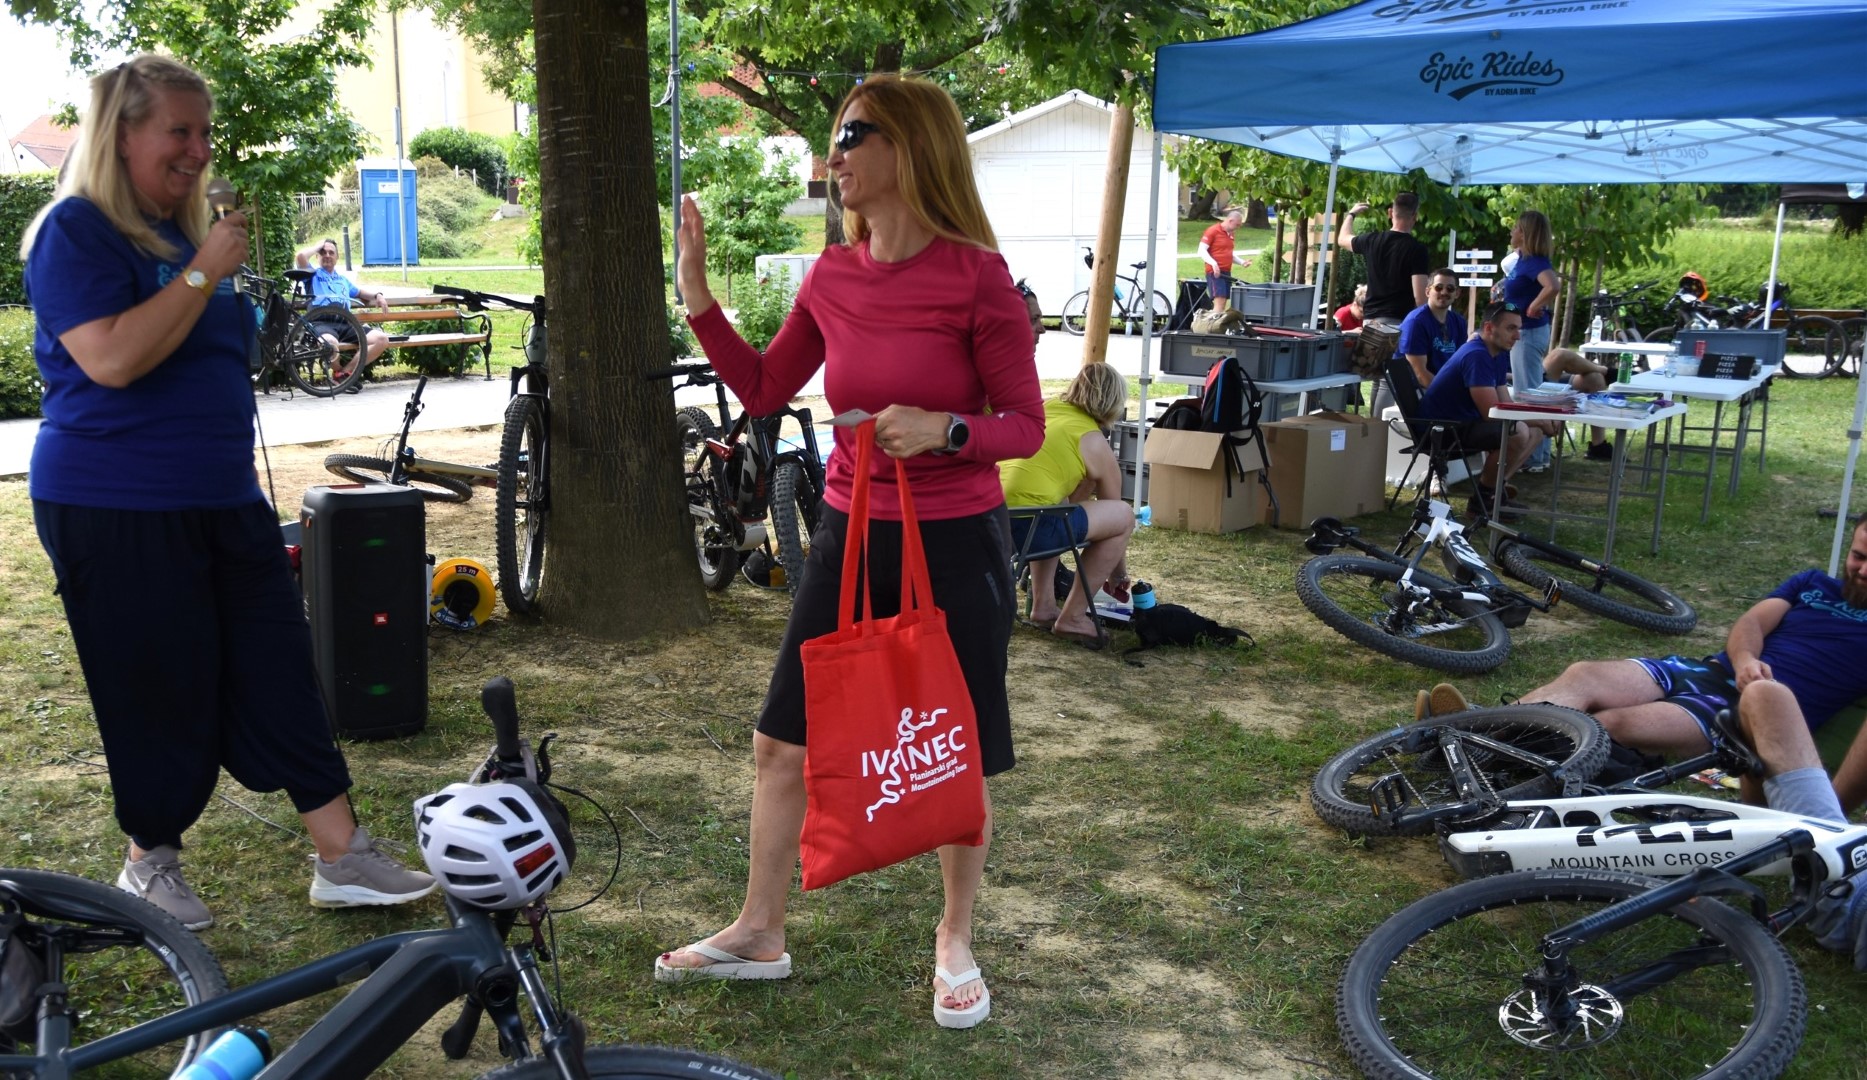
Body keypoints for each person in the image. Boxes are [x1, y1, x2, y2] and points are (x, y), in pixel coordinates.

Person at [654, 74, 1044, 1031]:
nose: (832, 156)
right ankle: (759, 930)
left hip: (955, 541)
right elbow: (761, 390)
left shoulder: (977, 277)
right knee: (780, 739)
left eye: (851, 134)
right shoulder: (832, 276)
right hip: (849, 529)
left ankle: (953, 938)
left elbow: (1025, 426)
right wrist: (698, 298)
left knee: (951, 748)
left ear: (909, 146)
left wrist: (948, 430)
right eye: (834, 137)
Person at [16, 54, 435, 932]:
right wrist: (205, 270)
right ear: (121, 134)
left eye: (204, 132)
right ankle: (149, 863)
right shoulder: (75, 231)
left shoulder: (178, 238)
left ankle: (342, 856)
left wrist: (203, 266)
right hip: (114, 504)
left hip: (221, 496)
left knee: (279, 665)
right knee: (156, 681)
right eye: (179, 131)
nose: (198, 149)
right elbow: (111, 359)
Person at [1509, 513, 1867, 817]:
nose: (1863, 570)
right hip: (1708, 671)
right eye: (1858, 556)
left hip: (1743, 710)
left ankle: (1512, 780)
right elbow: (1752, 624)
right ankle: (1485, 735)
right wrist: (1745, 659)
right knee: (1583, 675)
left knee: (1609, 725)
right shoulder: (1813, 583)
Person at [998, 362, 1136, 647]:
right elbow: (1114, 514)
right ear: (1113, 404)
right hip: (1027, 528)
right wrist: (1118, 573)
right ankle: (1073, 617)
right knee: (1123, 515)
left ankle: (1044, 606)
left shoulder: (1044, 410)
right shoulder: (1093, 441)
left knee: (1056, 504)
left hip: (991, 518)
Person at [1413, 301, 1561, 520]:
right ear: (1489, 328)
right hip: (1443, 431)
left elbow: (1505, 403)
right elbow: (1492, 412)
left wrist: (1544, 416)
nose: (1517, 336)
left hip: (1462, 424)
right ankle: (1479, 505)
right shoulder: (1477, 355)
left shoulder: (1496, 353)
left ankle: (1494, 494)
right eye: (1511, 328)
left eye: (1519, 329)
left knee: (1533, 430)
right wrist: (1539, 419)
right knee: (1519, 431)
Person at [1495, 210, 1562, 471]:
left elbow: (1553, 286)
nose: (1511, 232)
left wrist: (1534, 305)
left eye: (1515, 228)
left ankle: (1535, 457)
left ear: (1524, 233)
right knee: (1529, 390)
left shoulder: (1535, 261)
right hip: (1523, 332)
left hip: (1528, 332)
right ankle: (1537, 454)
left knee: (1529, 393)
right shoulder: (1522, 260)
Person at [303, 237, 390, 382]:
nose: (327, 255)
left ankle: (344, 373)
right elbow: (300, 257)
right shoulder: (311, 275)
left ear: (337, 257)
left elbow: (360, 292)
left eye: (331, 253)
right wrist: (317, 246)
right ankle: (340, 374)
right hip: (322, 323)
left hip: (346, 323)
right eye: (323, 252)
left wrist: (378, 295)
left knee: (381, 339)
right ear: (317, 256)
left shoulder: (342, 280)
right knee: (329, 343)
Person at [1337, 192, 1430, 323]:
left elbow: (1342, 239)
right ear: (1415, 216)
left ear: (1390, 213)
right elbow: (1420, 298)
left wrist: (1351, 214)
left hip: (1370, 321)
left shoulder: (1372, 240)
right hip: (1399, 321)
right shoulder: (1417, 249)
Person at [1198, 209, 1251, 313]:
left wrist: (1242, 262)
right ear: (1230, 221)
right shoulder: (1213, 231)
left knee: (1223, 303)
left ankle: (1215, 321)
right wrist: (1213, 264)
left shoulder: (1230, 234)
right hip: (1215, 272)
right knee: (1219, 301)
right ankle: (1211, 322)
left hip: (1226, 272)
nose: (1238, 227)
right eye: (1237, 225)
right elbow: (1201, 251)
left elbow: (1228, 253)